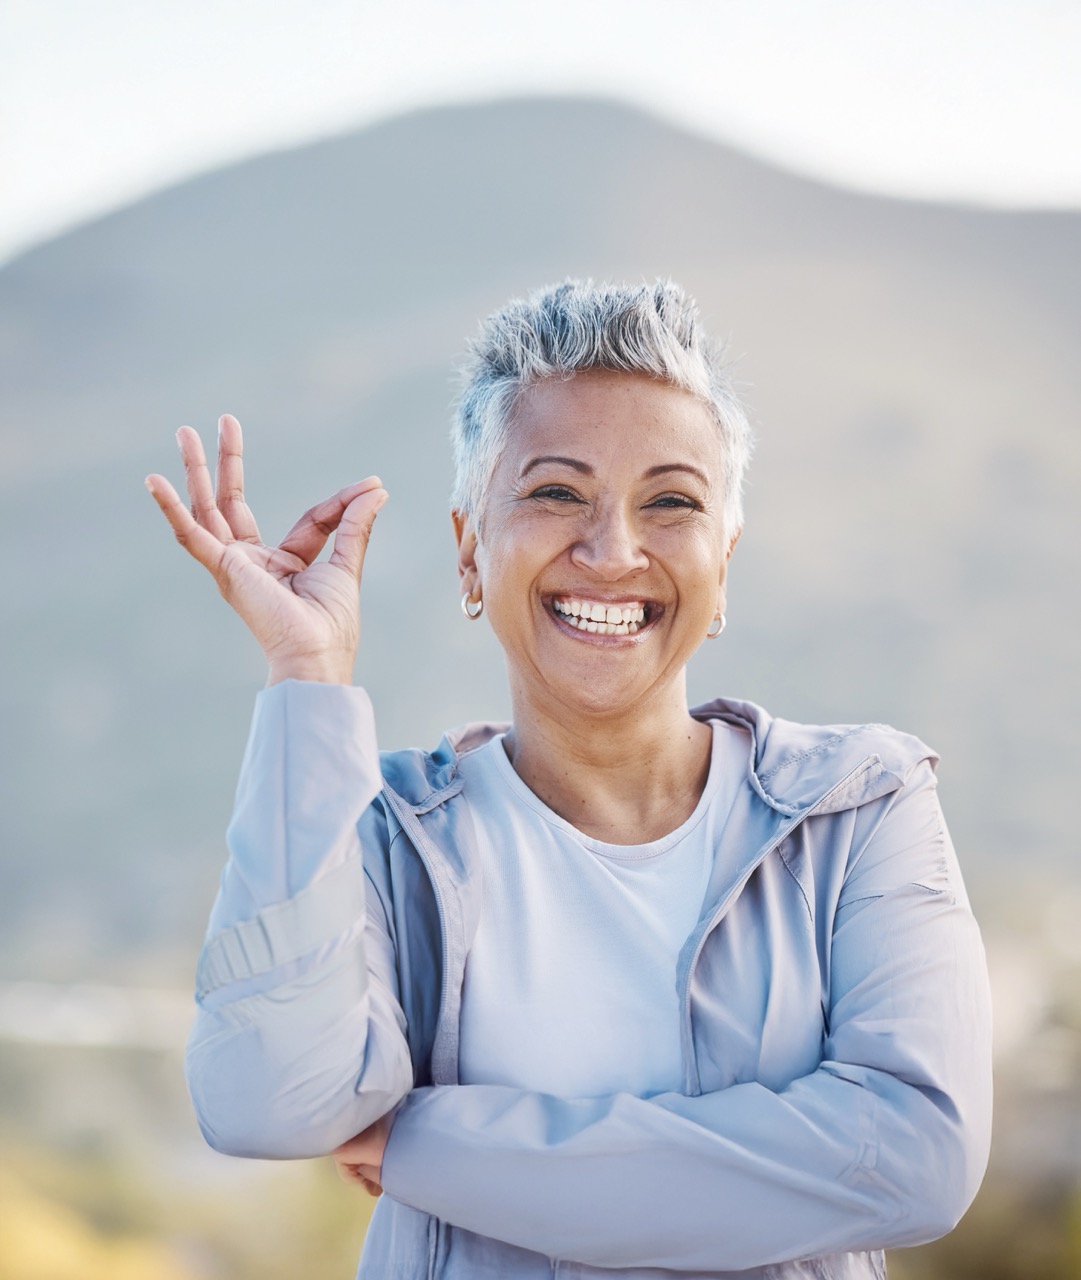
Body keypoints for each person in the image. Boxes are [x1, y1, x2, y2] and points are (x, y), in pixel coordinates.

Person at [145, 279, 993, 1280]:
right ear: (470, 550)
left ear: (723, 561)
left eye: (670, 502)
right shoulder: (379, 833)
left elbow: (914, 1159)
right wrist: (306, 677)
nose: (612, 551)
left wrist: (429, 1145)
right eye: (555, 493)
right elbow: (268, 1103)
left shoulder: (859, 806)